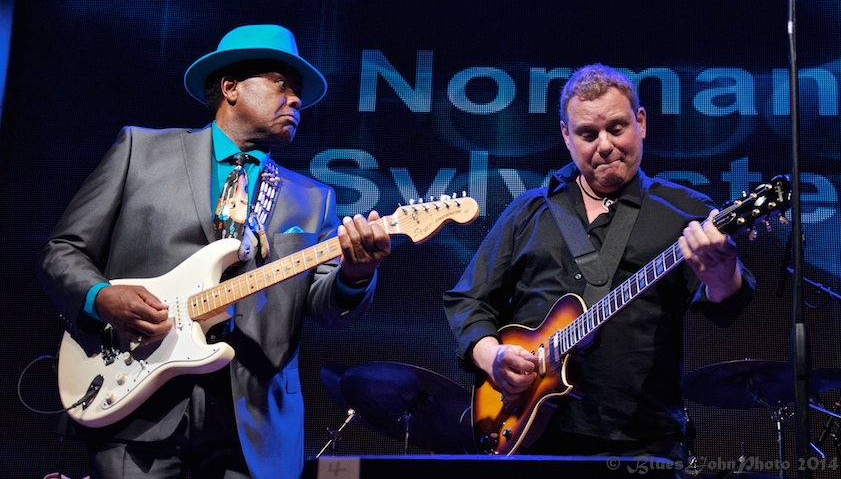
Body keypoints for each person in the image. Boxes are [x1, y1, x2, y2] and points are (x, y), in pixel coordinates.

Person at [36, 24, 391, 479]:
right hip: (136, 409)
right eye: (282, 85)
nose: (297, 100)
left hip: (252, 429)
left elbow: (323, 307)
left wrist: (355, 276)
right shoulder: (139, 150)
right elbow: (61, 251)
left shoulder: (312, 199)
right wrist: (102, 298)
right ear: (231, 88)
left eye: (299, 93)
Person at [443, 63, 755, 469]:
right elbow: (467, 300)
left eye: (617, 128)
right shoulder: (528, 211)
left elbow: (725, 301)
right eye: (588, 135)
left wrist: (720, 273)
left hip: (642, 440)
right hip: (531, 437)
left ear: (640, 122)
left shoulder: (688, 213)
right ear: (566, 136)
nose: (605, 145)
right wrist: (492, 357)